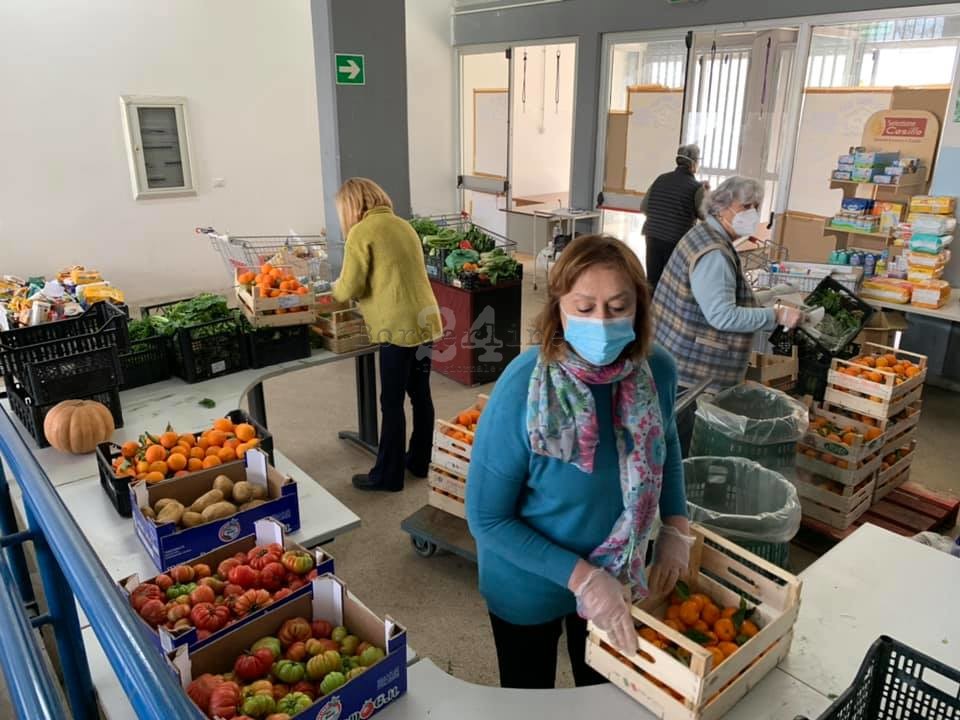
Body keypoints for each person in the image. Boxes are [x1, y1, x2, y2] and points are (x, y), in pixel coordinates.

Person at [466, 234, 693, 690]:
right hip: (527, 582)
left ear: (639, 309)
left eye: (618, 307)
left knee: (603, 695)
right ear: (559, 309)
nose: (602, 323)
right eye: (585, 308)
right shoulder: (523, 388)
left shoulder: (657, 372)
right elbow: (487, 518)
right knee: (529, 699)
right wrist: (584, 580)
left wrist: (676, 526)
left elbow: (665, 445)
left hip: (619, 570)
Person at [331, 178, 443, 492]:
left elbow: (349, 287)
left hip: (396, 327)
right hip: (425, 320)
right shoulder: (403, 226)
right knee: (420, 395)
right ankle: (419, 461)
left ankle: (388, 476)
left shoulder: (361, 232)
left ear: (351, 206)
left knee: (391, 402)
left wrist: (329, 291)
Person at [653, 176, 801, 394]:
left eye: (756, 207)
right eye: (745, 206)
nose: (752, 213)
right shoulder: (715, 254)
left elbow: (715, 296)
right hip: (693, 374)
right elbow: (722, 316)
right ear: (721, 207)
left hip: (672, 353)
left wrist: (770, 294)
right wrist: (777, 316)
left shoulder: (702, 234)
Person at [640, 144, 706, 289]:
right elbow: (704, 215)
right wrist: (706, 194)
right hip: (676, 240)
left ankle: (650, 303)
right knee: (672, 283)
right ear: (694, 164)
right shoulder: (696, 187)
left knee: (652, 280)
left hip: (652, 235)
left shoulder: (660, 179)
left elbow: (644, 207)